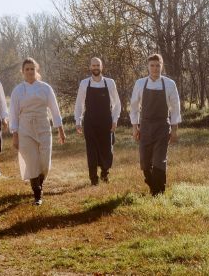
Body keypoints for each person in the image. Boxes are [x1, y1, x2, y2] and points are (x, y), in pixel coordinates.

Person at [9, 58, 66, 206]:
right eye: (27, 69)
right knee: (32, 162)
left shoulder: (45, 88)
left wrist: (60, 129)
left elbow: (54, 109)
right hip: (25, 128)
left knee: (44, 163)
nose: (29, 72)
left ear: (36, 70)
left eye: (32, 69)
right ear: (22, 72)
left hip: (43, 126)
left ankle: (40, 182)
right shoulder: (18, 90)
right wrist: (15, 134)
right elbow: (13, 114)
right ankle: (37, 194)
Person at [130, 53, 181, 196]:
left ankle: (159, 193)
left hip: (162, 127)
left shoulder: (170, 84)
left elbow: (175, 108)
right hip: (145, 126)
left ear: (162, 66)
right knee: (145, 162)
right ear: (148, 67)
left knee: (159, 160)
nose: (155, 69)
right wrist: (135, 128)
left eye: (157, 65)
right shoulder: (140, 83)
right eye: (152, 65)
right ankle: (152, 184)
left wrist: (174, 129)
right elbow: (134, 107)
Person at [74, 57, 121, 185]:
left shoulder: (110, 83)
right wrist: (78, 121)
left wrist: (115, 120)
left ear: (102, 67)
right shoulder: (84, 83)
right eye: (93, 65)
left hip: (106, 121)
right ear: (90, 67)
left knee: (107, 149)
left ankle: (105, 173)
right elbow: (79, 104)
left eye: (98, 65)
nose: (95, 67)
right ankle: (93, 179)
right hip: (90, 122)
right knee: (91, 151)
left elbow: (117, 104)